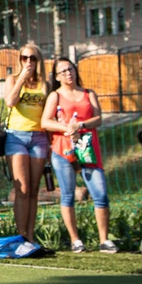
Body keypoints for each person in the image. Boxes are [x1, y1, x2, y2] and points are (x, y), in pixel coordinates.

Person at [41, 57, 116, 253]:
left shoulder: (88, 93)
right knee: (68, 195)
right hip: (63, 150)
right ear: (56, 76)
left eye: (70, 69)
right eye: (63, 71)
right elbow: (46, 122)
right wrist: (67, 128)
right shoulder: (54, 96)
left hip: (88, 150)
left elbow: (98, 118)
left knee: (100, 193)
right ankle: (75, 240)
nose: (68, 73)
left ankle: (104, 240)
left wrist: (80, 125)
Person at [3, 42, 48, 242]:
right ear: (20, 60)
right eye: (25, 58)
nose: (29, 62)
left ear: (39, 62)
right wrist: (22, 77)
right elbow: (10, 101)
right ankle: (20, 236)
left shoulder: (45, 83)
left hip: (39, 137)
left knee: (34, 190)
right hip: (16, 136)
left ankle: (30, 237)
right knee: (22, 189)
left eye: (33, 58)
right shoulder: (13, 79)